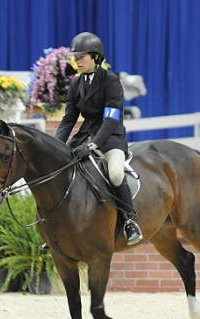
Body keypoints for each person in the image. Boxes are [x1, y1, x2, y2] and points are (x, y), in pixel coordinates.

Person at [55, 32, 143, 246]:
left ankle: (130, 221)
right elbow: (69, 119)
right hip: (84, 136)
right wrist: (57, 145)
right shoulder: (76, 83)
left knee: (114, 173)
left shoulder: (111, 81)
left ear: (95, 57)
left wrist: (94, 145)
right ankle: (57, 227)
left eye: (81, 57)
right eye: (75, 58)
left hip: (110, 137)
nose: (76, 61)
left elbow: (111, 119)